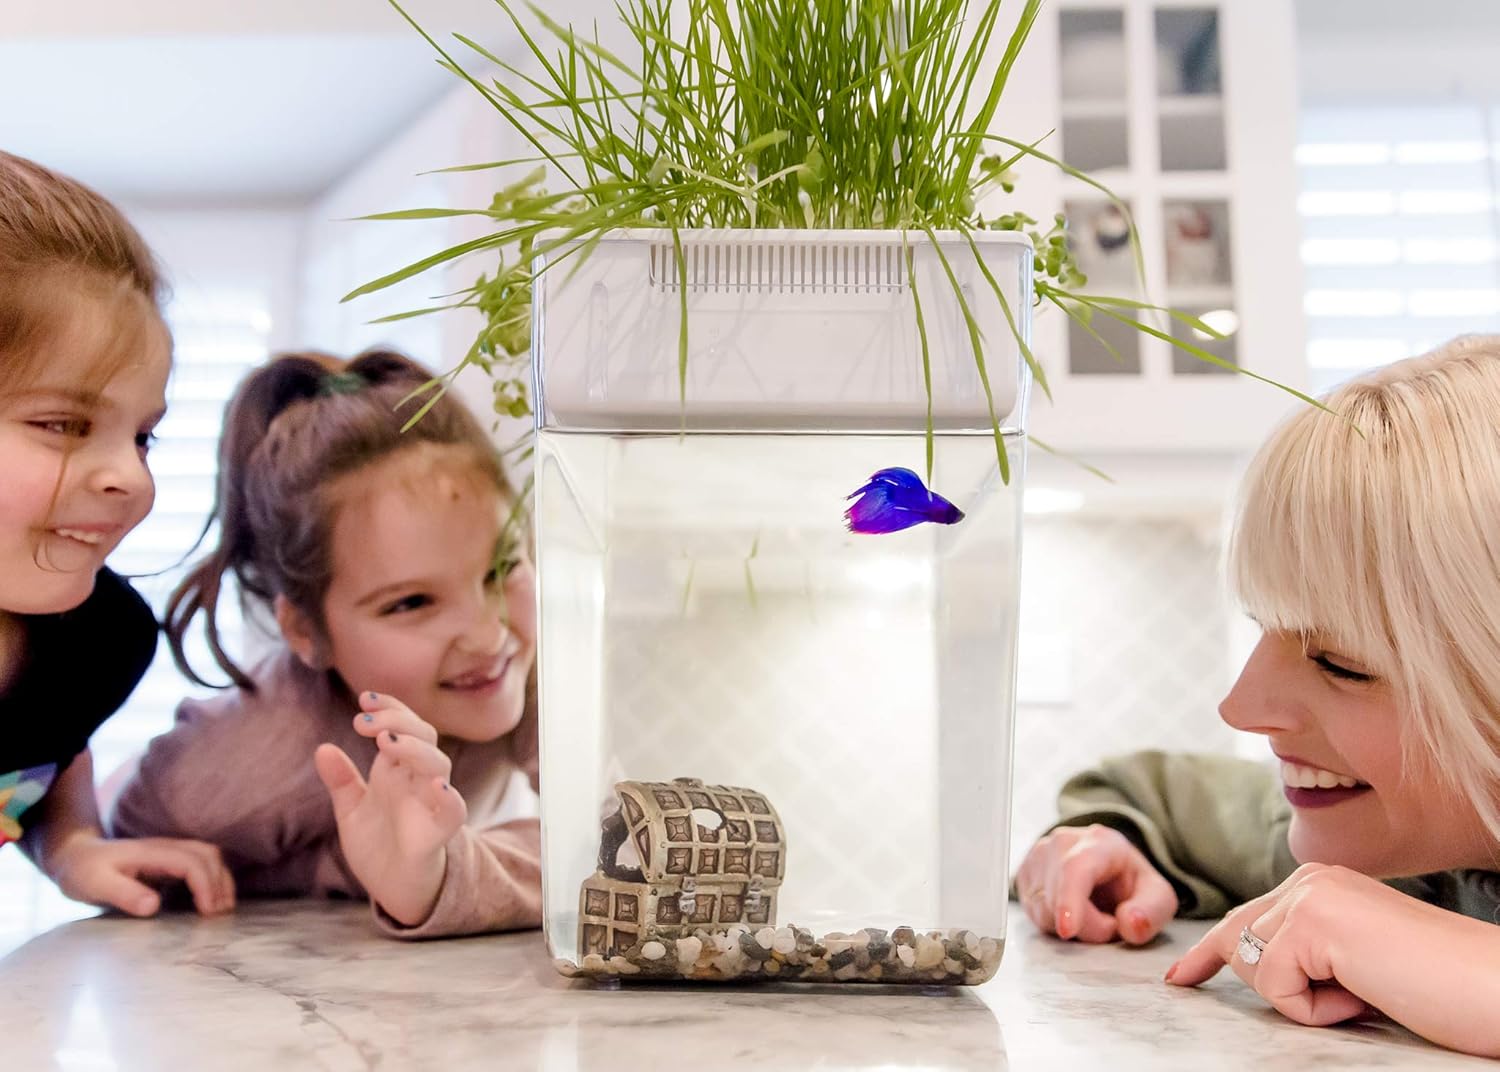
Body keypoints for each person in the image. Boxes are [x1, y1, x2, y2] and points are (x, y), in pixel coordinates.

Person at [1015, 335, 1500, 1059]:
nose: (1240, 707)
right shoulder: (1417, 850)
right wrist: (1110, 843)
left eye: (1341, 662)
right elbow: (1155, 795)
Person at [109, 348, 541, 937]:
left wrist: (441, 875)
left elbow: (629, 844)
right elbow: (124, 833)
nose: (489, 634)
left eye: (501, 568)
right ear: (305, 633)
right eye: (412, 602)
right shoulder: (258, 755)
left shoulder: (532, 662)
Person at [0, 150, 233, 917]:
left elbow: (43, 742)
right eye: (63, 424)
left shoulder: (96, 640)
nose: (129, 478)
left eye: (142, 437)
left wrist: (70, 845)